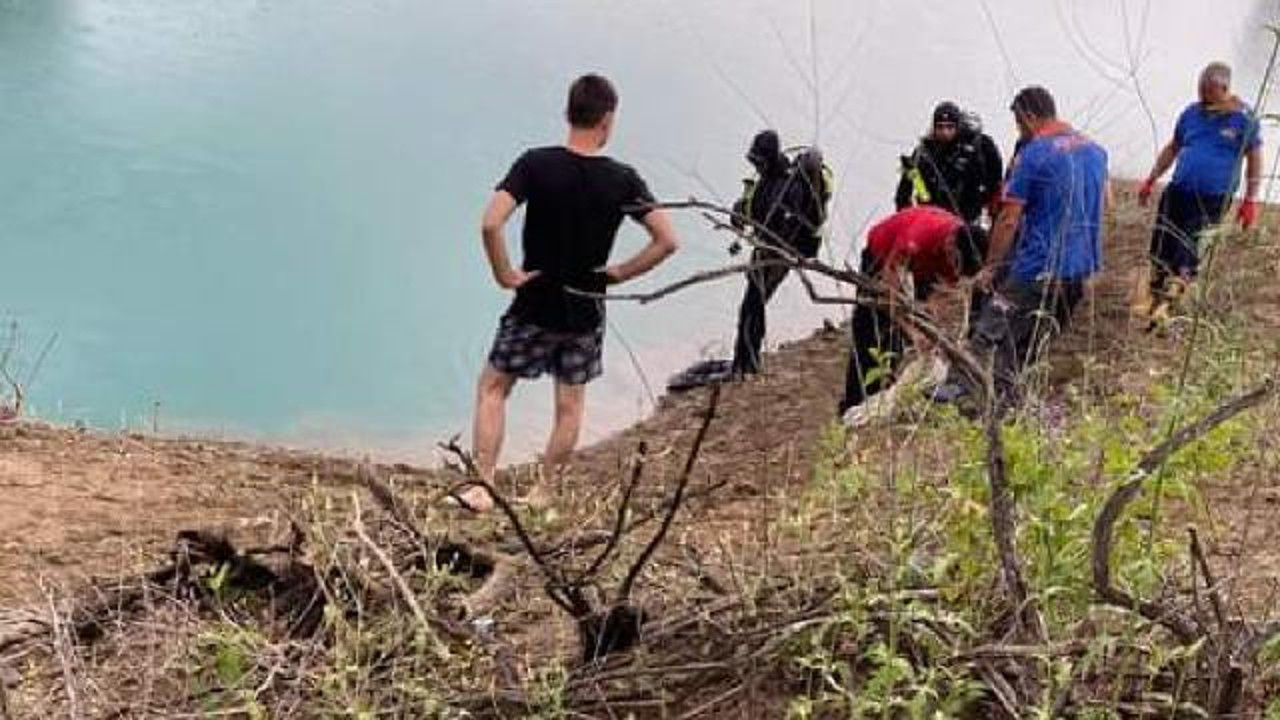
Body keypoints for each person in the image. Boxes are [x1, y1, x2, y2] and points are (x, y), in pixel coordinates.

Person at [461, 74, 679, 512]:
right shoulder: (622, 179)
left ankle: (483, 487)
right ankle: (543, 493)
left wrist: (505, 273)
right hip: (584, 311)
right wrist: (619, 273)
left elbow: (490, 223)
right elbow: (667, 240)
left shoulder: (535, 164)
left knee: (493, 389)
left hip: (533, 304)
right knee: (569, 405)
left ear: (568, 113)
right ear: (607, 120)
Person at [932, 86, 1108, 414]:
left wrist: (991, 267)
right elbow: (1103, 202)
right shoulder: (1095, 151)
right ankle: (1011, 406)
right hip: (1078, 271)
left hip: (1036, 267)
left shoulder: (1034, 154)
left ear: (1028, 117)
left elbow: (1009, 218)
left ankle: (965, 396)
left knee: (990, 330)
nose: (1019, 131)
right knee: (1031, 341)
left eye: (1018, 122)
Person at [1138, 62, 1263, 320]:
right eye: (1200, 89)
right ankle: (1152, 295)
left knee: (1190, 247)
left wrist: (1250, 200)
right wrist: (1151, 178)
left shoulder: (1244, 119)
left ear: (1225, 88)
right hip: (1179, 190)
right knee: (1162, 244)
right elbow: (1173, 147)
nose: (1202, 96)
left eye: (1208, 91)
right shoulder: (1191, 114)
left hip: (1212, 198)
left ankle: (1170, 306)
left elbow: (1255, 159)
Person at [839, 206, 987, 418]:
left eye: (958, 269)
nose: (955, 271)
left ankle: (883, 399)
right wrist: (912, 330)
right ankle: (854, 404)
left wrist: (931, 331)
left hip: (923, 265)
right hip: (883, 254)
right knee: (871, 331)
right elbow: (887, 293)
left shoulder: (962, 256)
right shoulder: (918, 236)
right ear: (950, 244)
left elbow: (939, 297)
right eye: (955, 264)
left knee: (901, 341)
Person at [729, 130, 831, 376]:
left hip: (782, 251)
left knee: (753, 302)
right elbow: (750, 205)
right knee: (753, 304)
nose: (757, 166)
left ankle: (747, 363)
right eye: (753, 161)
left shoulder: (790, 184)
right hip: (765, 248)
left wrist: (780, 249)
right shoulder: (764, 180)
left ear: (771, 158)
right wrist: (738, 214)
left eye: (759, 161)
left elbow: (795, 222)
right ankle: (744, 362)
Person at [896, 101, 1004, 224]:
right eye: (940, 127)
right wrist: (907, 221)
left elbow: (994, 181)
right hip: (931, 219)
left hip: (966, 220)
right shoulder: (924, 153)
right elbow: (905, 192)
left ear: (958, 127)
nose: (945, 132)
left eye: (949, 127)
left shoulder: (973, 151)